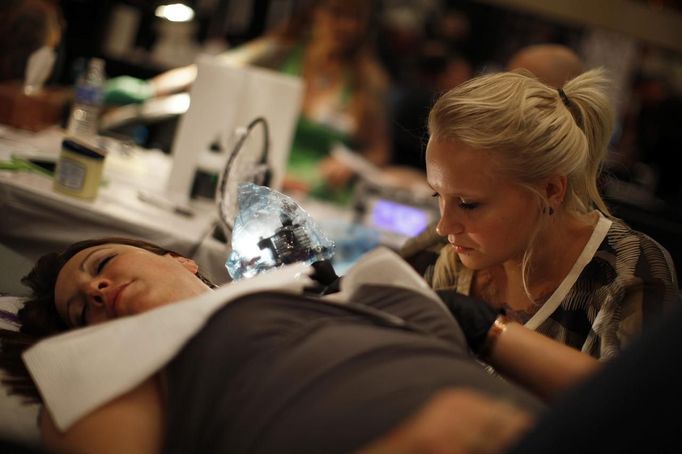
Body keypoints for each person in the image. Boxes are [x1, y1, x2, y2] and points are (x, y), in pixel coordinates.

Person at [0, 235, 607, 453]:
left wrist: (484, 328)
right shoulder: (104, 363)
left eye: (100, 264)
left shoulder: (345, 291)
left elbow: (607, 400)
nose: (97, 287)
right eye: (82, 308)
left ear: (175, 256)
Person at [400, 66, 679, 364]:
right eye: (438, 196)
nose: (444, 226)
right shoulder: (440, 248)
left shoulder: (626, 277)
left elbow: (631, 402)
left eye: (468, 204)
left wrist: (491, 334)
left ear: (550, 190)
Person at [105, 0, 391, 205]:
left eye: (354, 17)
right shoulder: (281, 52)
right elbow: (214, 71)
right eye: (336, 12)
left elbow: (378, 149)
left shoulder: (368, 81)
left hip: (317, 193)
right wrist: (148, 89)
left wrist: (352, 164)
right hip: (259, 176)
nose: (344, 25)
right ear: (316, 10)